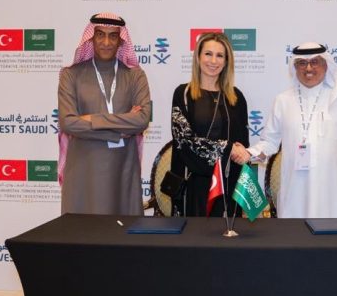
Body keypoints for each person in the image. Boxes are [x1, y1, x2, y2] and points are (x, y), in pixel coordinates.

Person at [247, 42, 337, 218]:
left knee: (335, 233)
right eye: (302, 63)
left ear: (326, 64)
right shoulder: (283, 100)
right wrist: (249, 153)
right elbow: (270, 142)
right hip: (294, 192)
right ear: (295, 67)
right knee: (295, 233)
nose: (308, 68)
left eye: (315, 62)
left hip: (335, 193)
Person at [57, 12, 151, 215]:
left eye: (113, 36)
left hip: (123, 170)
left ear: (121, 41)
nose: (106, 42)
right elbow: (68, 123)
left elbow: (142, 120)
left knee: (122, 231)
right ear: (91, 38)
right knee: (82, 232)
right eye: (100, 35)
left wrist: (91, 119)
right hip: (84, 172)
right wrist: (120, 130)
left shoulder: (135, 76)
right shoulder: (70, 75)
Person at [169, 32, 251, 216]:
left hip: (228, 185)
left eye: (220, 55)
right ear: (198, 57)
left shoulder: (236, 97)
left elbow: (242, 145)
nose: (213, 61)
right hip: (193, 185)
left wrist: (241, 152)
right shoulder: (183, 94)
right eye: (208, 54)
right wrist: (227, 148)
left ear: (226, 61)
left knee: (227, 234)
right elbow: (185, 141)